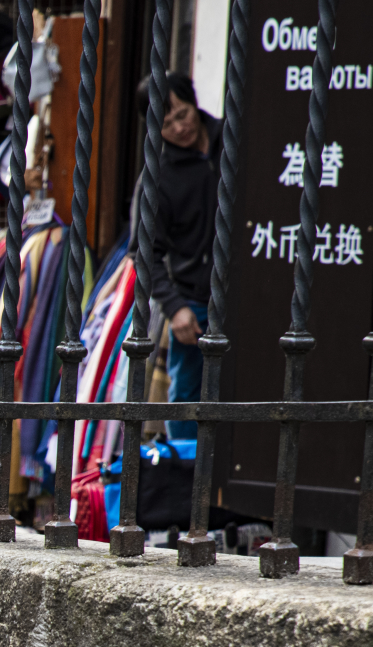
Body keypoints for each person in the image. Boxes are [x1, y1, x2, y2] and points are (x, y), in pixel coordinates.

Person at [144, 72, 220, 442]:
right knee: (186, 403)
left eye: (183, 113)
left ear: (194, 101)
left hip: (252, 291)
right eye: (167, 122)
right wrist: (175, 308)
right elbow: (144, 255)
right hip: (195, 304)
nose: (179, 126)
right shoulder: (160, 178)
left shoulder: (235, 138)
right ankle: (187, 490)